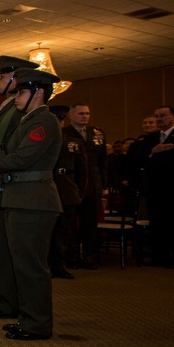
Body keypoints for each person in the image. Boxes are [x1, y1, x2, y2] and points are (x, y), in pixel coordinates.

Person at [0, 68, 63, 341]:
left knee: (31, 265)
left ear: (38, 93)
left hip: (34, 201)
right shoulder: (28, 121)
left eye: (22, 92)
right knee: (20, 263)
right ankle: (28, 317)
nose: (16, 96)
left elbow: (20, 160)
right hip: (20, 197)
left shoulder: (44, 122)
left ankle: (37, 323)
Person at [135, 106, 174, 268]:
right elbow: (137, 159)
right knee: (157, 224)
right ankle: (160, 257)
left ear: (173, 116)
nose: (160, 119)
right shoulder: (151, 138)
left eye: (163, 116)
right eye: (157, 116)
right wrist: (152, 151)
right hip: (154, 188)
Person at [66, 103, 107, 269]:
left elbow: (103, 161)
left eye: (87, 114)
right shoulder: (64, 133)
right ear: (71, 115)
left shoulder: (97, 133)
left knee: (90, 222)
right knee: (69, 223)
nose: (85, 116)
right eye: (81, 113)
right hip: (72, 183)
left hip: (93, 184)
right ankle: (71, 256)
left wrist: (104, 185)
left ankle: (88, 256)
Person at [47, 106, 86, 280]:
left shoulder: (73, 142)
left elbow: (82, 169)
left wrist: (80, 191)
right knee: (47, 231)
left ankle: (60, 266)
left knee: (64, 231)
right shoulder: (43, 140)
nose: (58, 123)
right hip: (47, 188)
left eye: (60, 120)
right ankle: (46, 265)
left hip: (67, 188)